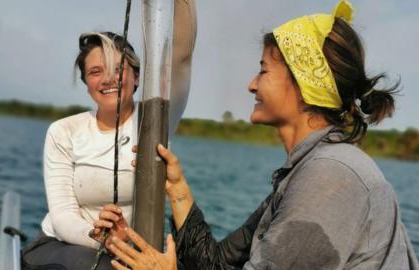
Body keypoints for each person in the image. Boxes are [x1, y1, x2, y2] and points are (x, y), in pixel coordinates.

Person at [107, 1, 419, 269]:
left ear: (303, 83)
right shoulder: (306, 170)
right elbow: (216, 263)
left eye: (264, 70)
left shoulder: (331, 177)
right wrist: (177, 190)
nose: (252, 84)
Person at [21, 0, 197, 269]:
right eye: (95, 72)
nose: (107, 79)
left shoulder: (156, 120)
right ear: (86, 84)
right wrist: (101, 236)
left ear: (137, 77)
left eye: (118, 69)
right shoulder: (63, 131)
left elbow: (181, 57)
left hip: (131, 251)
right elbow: (63, 217)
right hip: (65, 244)